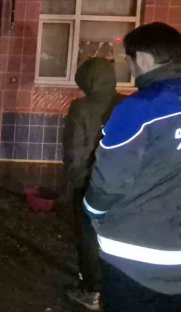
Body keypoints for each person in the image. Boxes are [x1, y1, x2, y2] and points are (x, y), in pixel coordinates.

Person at [83, 22, 181, 311]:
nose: (130, 69)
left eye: (129, 61)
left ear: (143, 58)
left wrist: (91, 210)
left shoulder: (139, 108)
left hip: (135, 257)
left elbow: (109, 182)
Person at [62, 57, 125, 311]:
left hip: (91, 184)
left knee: (89, 237)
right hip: (124, 185)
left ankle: (92, 290)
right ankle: (116, 287)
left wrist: (76, 184)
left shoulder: (81, 108)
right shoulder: (128, 104)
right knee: (119, 237)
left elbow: (74, 150)